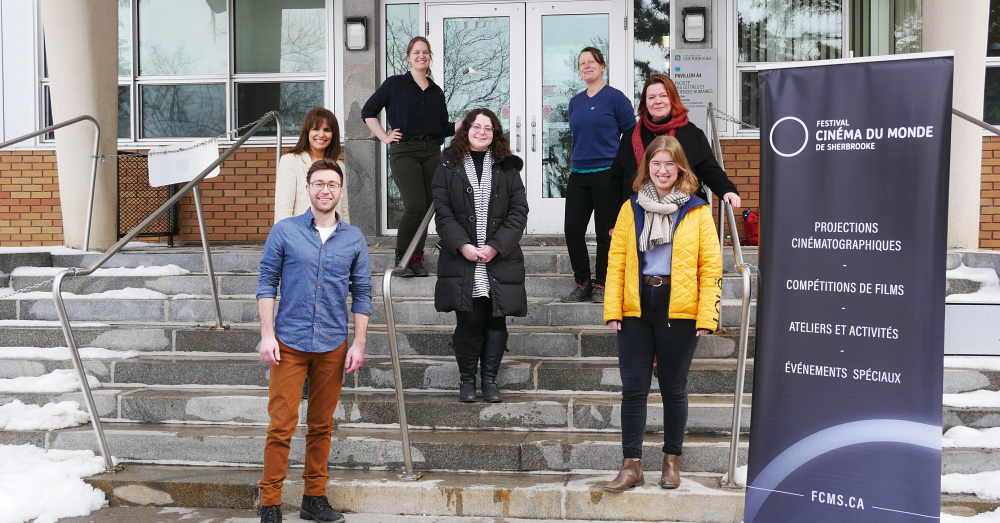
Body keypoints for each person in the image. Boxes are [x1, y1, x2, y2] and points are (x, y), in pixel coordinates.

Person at [602, 135, 722, 493]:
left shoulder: (698, 210)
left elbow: (710, 264)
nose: (663, 170)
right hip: (637, 303)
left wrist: (708, 315)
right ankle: (631, 464)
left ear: (680, 167)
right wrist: (613, 307)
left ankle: (671, 461)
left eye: (670, 164)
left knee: (673, 387)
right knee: (634, 388)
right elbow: (617, 259)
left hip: (679, 305)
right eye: (656, 163)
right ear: (647, 168)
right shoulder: (631, 207)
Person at [256, 159, 372, 523]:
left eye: (332, 184)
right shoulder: (285, 231)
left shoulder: (353, 237)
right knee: (282, 425)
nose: (325, 190)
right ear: (307, 188)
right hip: (288, 342)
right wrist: (266, 334)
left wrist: (359, 343)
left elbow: (364, 293)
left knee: (322, 425)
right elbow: (266, 283)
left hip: (332, 344)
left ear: (340, 191)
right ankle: (271, 501)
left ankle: (314, 498)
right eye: (318, 183)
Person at [432, 108, 528, 403]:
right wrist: (463, 245)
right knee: (469, 320)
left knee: (496, 320)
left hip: (499, 257)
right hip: (463, 258)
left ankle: (489, 380)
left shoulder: (507, 167)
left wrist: (496, 246)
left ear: (495, 133)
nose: (482, 132)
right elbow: (443, 210)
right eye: (477, 127)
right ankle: (466, 380)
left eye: (488, 128)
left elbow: (518, 211)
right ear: (466, 130)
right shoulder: (448, 164)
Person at [362, 36, 459, 277]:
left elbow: (443, 128)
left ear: (429, 57)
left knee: (427, 209)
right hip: (404, 152)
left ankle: (416, 260)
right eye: (416, 52)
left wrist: (466, 124)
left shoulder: (436, 92)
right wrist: (384, 136)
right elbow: (368, 111)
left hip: (431, 153)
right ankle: (402, 259)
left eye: (425, 52)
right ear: (408, 57)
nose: (421, 56)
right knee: (415, 207)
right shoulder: (394, 84)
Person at [605, 74, 740, 238]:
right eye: (651, 97)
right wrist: (613, 222)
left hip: (683, 218)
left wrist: (727, 190)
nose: (658, 101)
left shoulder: (691, 133)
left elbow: (710, 169)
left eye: (663, 96)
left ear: (673, 98)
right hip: (638, 218)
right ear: (645, 103)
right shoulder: (631, 136)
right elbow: (615, 180)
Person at [562, 47, 636, 304]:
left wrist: (625, 167)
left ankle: (602, 283)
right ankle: (583, 281)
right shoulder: (575, 102)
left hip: (608, 174)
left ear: (602, 66)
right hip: (578, 174)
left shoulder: (616, 98)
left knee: (606, 232)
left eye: (591, 61)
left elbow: (632, 135)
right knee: (572, 230)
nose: (586, 66)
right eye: (582, 63)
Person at [274, 107, 347, 223]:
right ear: (307, 131)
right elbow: (283, 211)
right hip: (300, 237)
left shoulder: (339, 166)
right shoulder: (290, 161)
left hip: (333, 237)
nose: (321, 134)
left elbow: (343, 211)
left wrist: (345, 238)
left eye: (327, 130)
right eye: (316, 129)